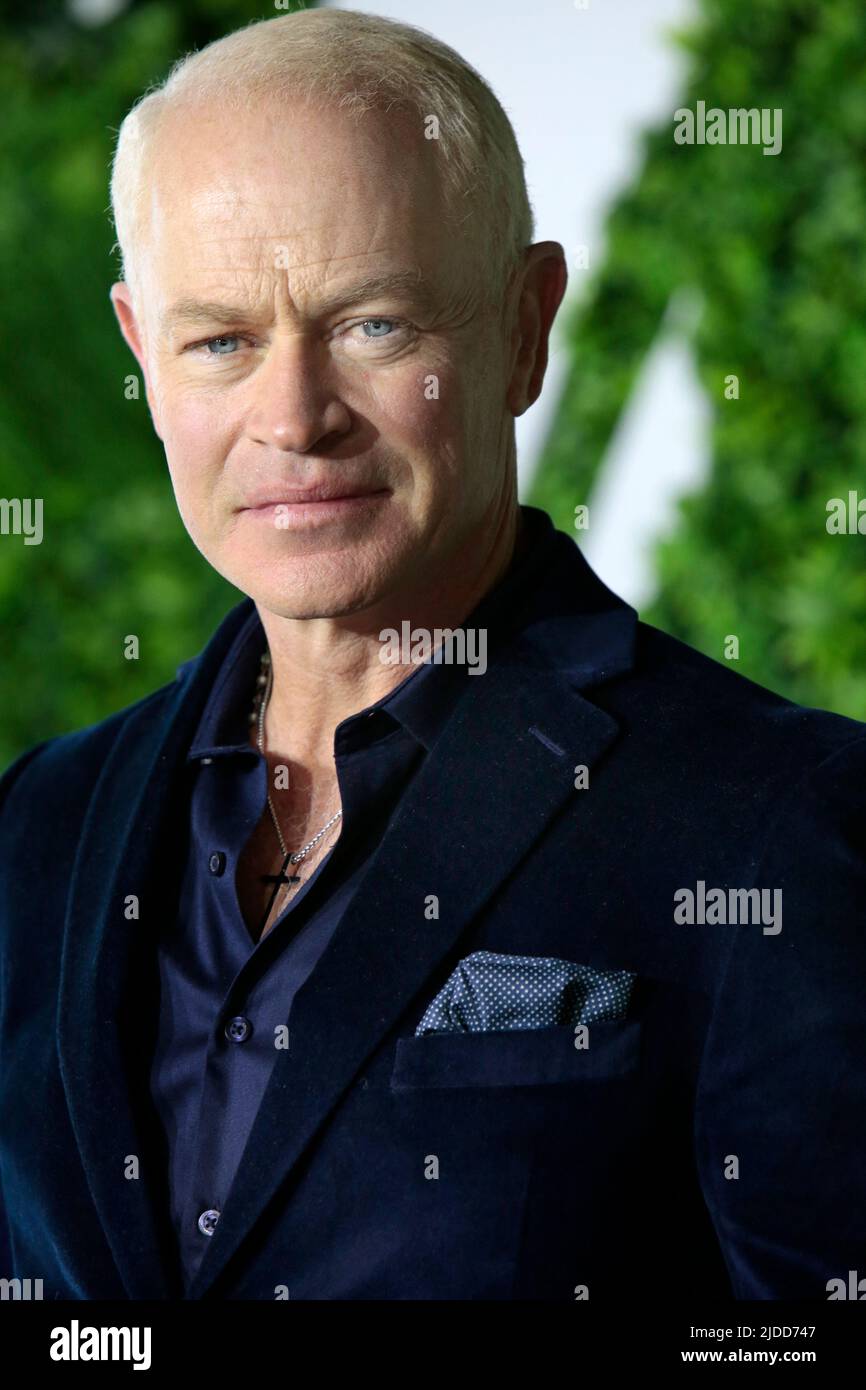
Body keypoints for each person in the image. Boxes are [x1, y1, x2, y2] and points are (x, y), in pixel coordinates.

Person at [1, 8, 864, 1302]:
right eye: (222, 340)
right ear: (143, 352)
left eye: (373, 324)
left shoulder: (777, 824)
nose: (292, 417)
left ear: (525, 325)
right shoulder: (39, 826)